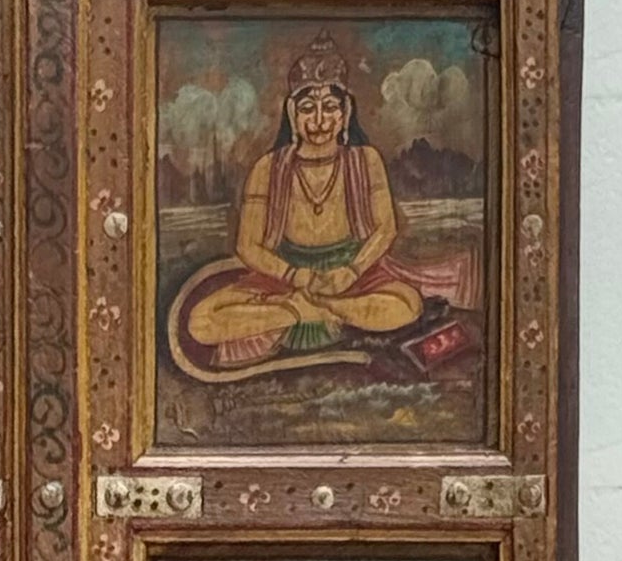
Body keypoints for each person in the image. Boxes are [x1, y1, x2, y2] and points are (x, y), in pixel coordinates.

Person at [168, 33, 432, 384]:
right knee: (201, 320)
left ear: (345, 113)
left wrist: (349, 272)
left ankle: (323, 310)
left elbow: (386, 230)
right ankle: (306, 312)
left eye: (330, 107)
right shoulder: (268, 168)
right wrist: (296, 277)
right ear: (292, 114)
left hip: (350, 282)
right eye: (308, 108)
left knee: (407, 303)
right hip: (284, 284)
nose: (320, 120)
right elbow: (248, 246)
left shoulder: (365, 161)